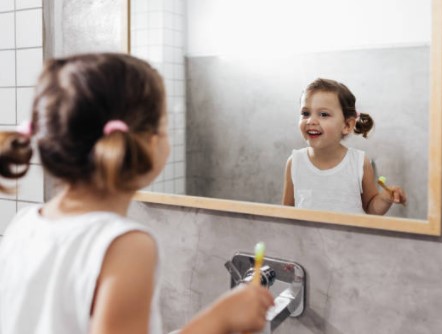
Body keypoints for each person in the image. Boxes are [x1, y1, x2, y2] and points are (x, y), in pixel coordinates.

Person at [0, 53, 273, 334]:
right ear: (145, 142)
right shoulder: (124, 245)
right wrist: (219, 319)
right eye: (166, 125)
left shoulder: (23, 224)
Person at [282, 78, 406, 215]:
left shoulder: (359, 162)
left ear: (347, 125)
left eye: (323, 114)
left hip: (350, 237)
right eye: (305, 113)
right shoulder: (295, 162)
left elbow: (371, 210)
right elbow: (287, 214)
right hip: (307, 237)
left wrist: (384, 199)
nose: (310, 121)